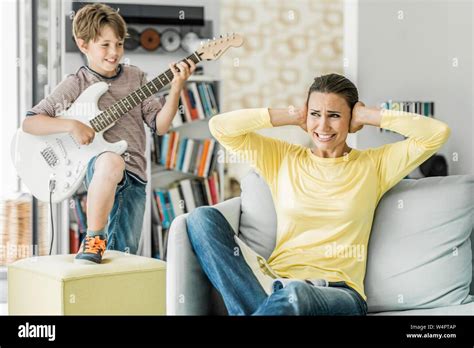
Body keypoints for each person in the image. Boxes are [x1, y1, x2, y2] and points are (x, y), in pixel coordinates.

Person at [187, 73, 451, 315]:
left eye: (335, 115)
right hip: (275, 283)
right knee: (201, 218)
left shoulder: (375, 165)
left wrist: (369, 115)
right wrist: (292, 115)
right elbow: (220, 127)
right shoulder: (282, 158)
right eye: (315, 114)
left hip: (339, 293)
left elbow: (436, 134)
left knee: (296, 295)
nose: (322, 126)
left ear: (351, 119)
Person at [22, 3, 196, 264]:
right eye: (104, 45)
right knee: (112, 161)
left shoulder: (136, 77)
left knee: (123, 256)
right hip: (102, 172)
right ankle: (93, 237)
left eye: (119, 44)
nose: (114, 52)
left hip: (135, 177)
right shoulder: (77, 83)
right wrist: (71, 125)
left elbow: (160, 126)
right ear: (83, 45)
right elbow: (31, 122)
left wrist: (176, 88)